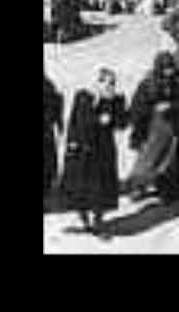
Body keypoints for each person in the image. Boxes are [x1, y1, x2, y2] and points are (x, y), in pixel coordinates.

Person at [58, 68, 128, 235]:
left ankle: (98, 221)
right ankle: (83, 219)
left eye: (112, 83)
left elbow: (122, 123)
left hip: (103, 150)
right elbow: (75, 121)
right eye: (104, 81)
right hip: (82, 149)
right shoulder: (83, 96)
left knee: (101, 187)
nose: (108, 86)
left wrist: (112, 116)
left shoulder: (116, 100)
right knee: (79, 185)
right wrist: (71, 142)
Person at [128, 52, 179, 202]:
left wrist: (171, 106)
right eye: (165, 69)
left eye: (170, 68)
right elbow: (137, 107)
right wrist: (140, 126)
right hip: (152, 128)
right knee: (147, 159)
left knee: (170, 159)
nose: (169, 72)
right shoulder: (148, 83)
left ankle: (168, 188)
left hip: (174, 126)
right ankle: (138, 186)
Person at [44, 74, 64, 205]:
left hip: (46, 132)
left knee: (48, 164)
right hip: (47, 132)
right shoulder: (48, 85)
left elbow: (55, 103)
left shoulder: (47, 86)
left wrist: (58, 121)